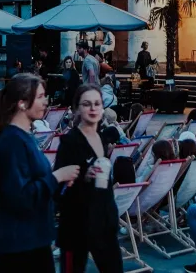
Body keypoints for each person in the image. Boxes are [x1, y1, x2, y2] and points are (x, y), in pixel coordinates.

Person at [0, 73, 80, 272]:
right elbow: (19, 197)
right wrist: (57, 177)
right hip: (18, 244)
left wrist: (61, 182)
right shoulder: (12, 142)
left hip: (31, 238)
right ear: (22, 103)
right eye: (40, 96)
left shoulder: (24, 137)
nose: (46, 102)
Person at [55, 85, 121, 273]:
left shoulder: (101, 139)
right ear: (77, 109)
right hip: (77, 224)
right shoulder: (69, 142)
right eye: (87, 104)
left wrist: (111, 218)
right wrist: (83, 175)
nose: (93, 108)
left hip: (103, 224)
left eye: (97, 104)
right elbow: (60, 186)